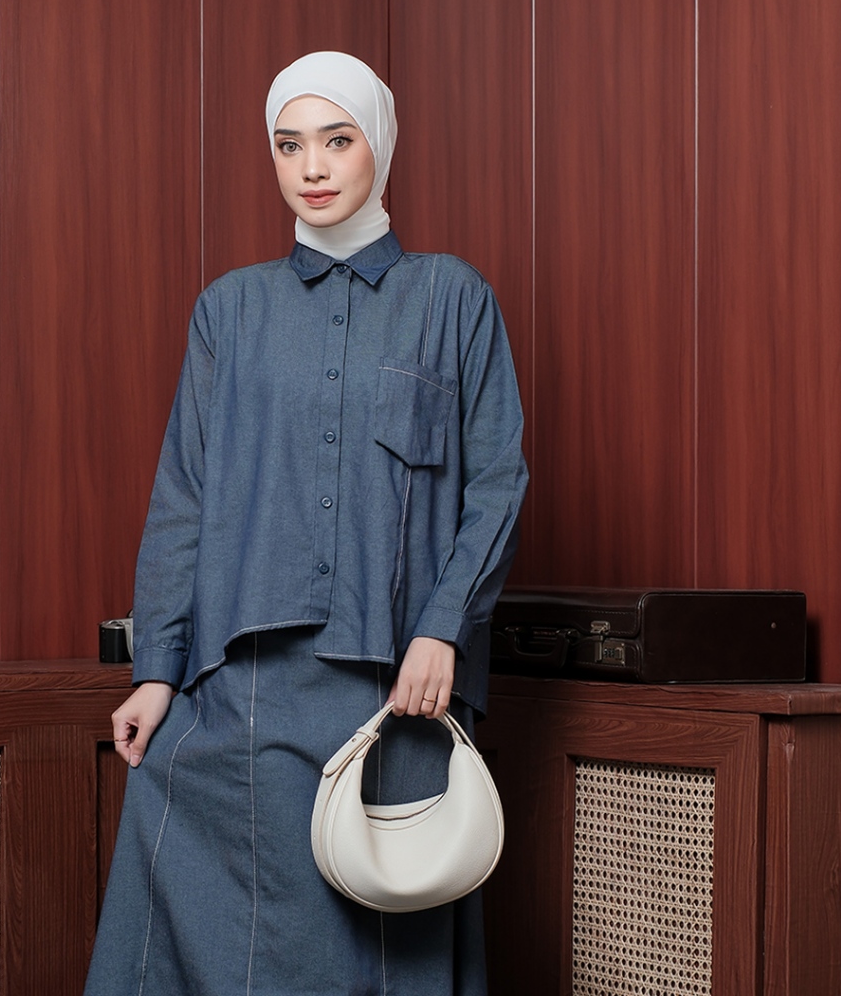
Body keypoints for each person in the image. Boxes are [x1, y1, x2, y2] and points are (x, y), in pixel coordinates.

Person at [84, 51, 528, 996]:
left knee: (384, 943)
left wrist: (443, 627)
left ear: (381, 148)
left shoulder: (453, 299)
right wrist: (158, 671)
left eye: (337, 140)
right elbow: (183, 497)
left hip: (398, 688)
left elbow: (496, 483)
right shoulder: (229, 310)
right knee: (227, 933)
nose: (312, 168)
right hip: (246, 688)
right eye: (289, 146)